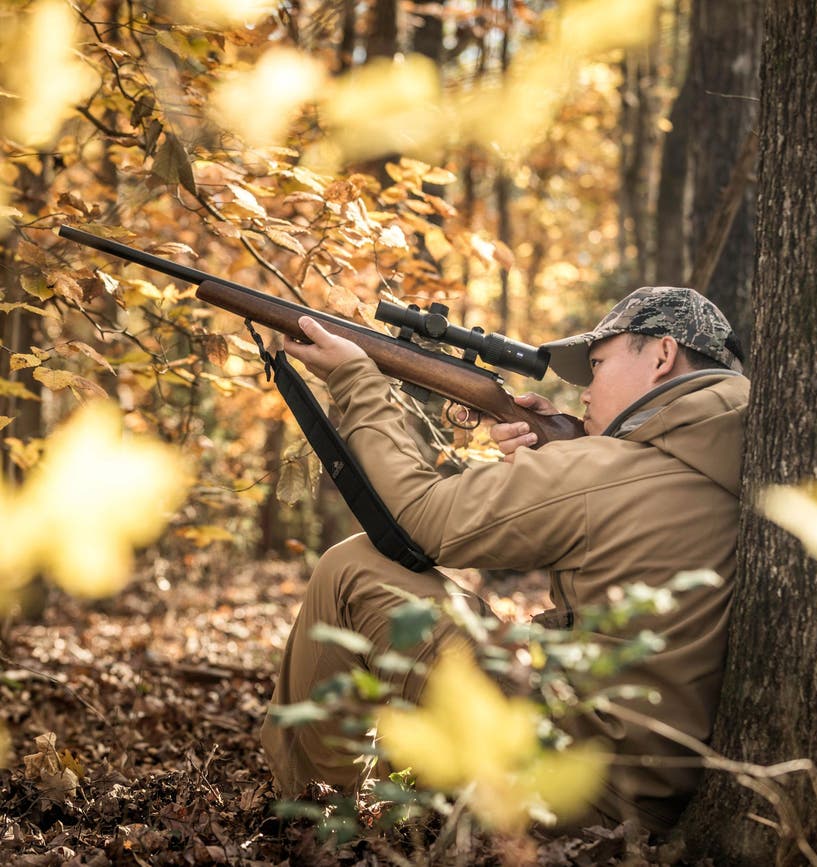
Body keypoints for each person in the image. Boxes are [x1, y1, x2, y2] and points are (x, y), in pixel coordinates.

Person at [260, 286, 749, 832]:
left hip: (575, 790)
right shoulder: (732, 459)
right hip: (644, 783)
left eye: (597, 366)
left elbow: (417, 515)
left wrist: (355, 380)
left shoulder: (615, 469)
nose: (584, 394)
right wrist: (564, 453)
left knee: (352, 569)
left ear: (661, 356)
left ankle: (316, 819)